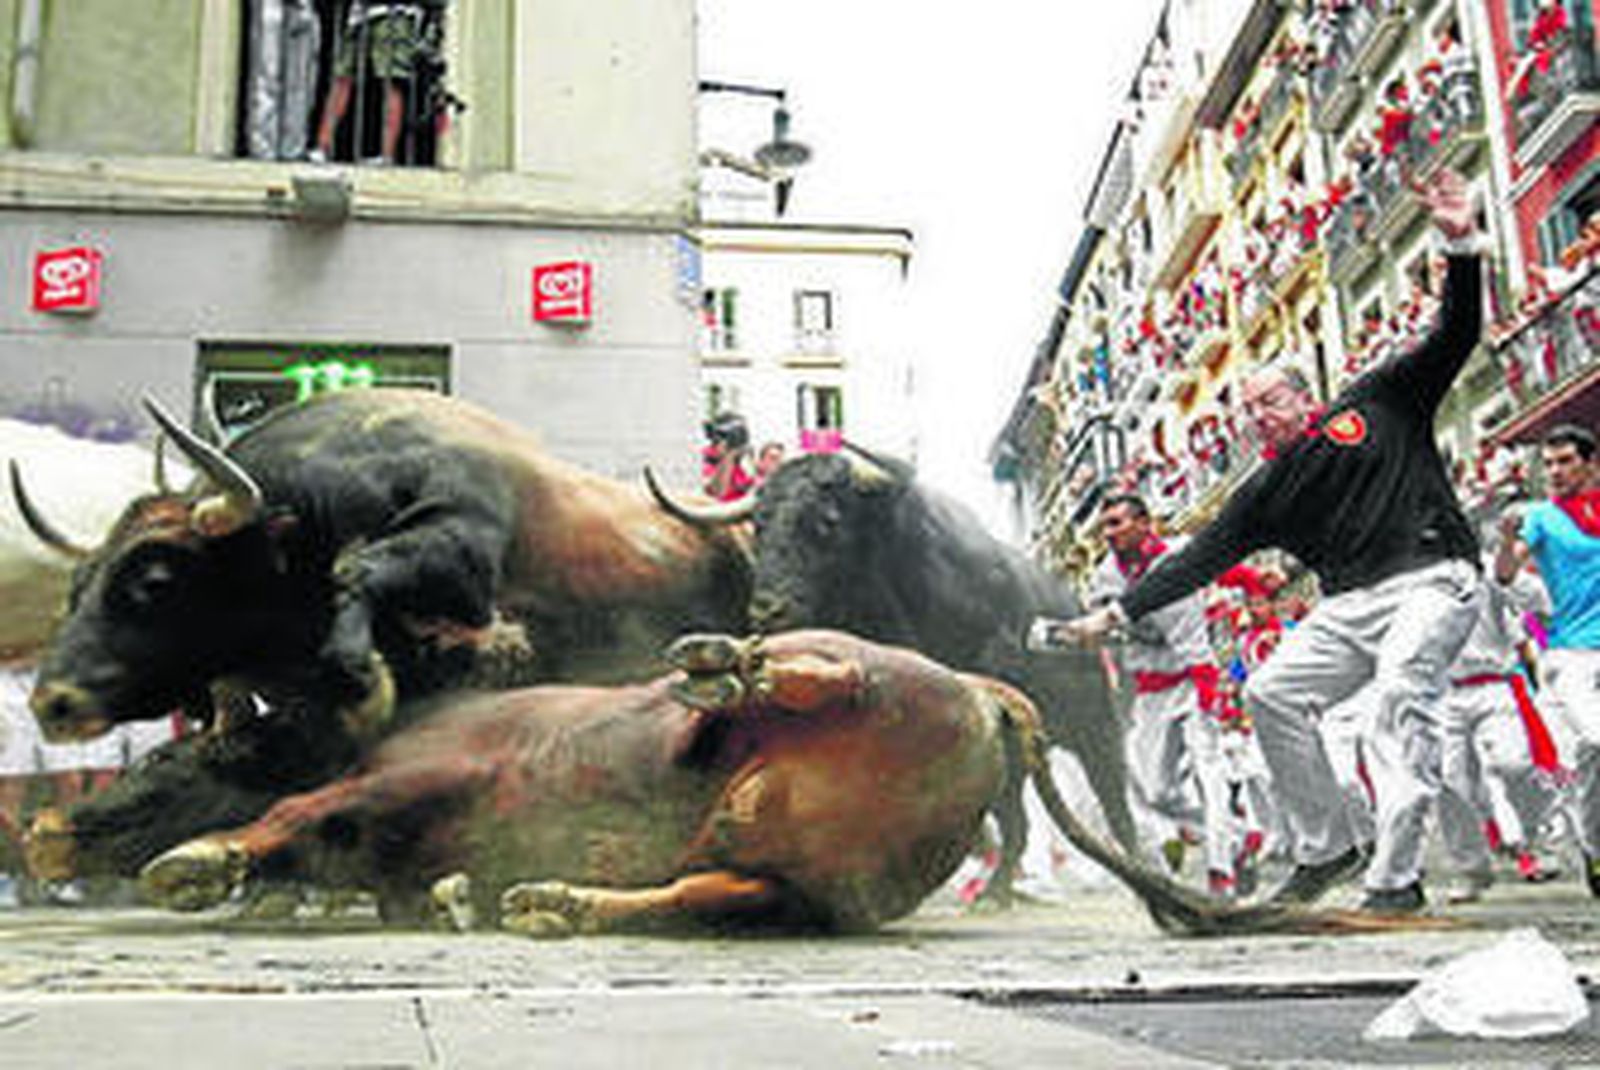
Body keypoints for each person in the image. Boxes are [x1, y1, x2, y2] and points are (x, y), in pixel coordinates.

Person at [1037, 169, 1486, 915]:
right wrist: (1108, 618)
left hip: (1434, 579)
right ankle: (1327, 848)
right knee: (1273, 693)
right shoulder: (1266, 492)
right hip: (1348, 606)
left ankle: (1396, 881)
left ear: (1305, 396)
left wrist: (1462, 241)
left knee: (1396, 703)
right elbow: (1194, 560)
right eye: (1248, 410)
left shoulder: (1376, 402)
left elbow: (1456, 335)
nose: (1259, 417)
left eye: (1271, 401)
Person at [1082, 494, 1240, 897]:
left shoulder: (1176, 559)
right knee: (1156, 792)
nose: (1109, 534)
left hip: (1191, 678)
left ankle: (1221, 871)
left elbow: (1192, 641)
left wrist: (1210, 697)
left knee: (1211, 776)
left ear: (1144, 523)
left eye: (1117, 523)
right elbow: (1102, 624)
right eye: (1106, 526)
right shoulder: (1105, 574)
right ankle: (1237, 837)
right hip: (1150, 689)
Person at [1495, 423, 1600, 893]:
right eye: (1548, 463)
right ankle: (1595, 849)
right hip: (1572, 655)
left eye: (1564, 462)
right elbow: (1504, 573)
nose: (1554, 471)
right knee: (1596, 744)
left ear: (1590, 464)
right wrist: (1505, 541)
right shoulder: (1539, 516)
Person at [312, 1, 445, 165]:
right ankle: (321, 147)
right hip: (359, 14)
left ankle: (386, 154)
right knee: (342, 77)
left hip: (395, 13)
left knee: (391, 81)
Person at [701, 412, 754, 501]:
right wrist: (728, 456)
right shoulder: (709, 458)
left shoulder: (745, 458)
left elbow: (754, 485)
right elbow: (716, 493)